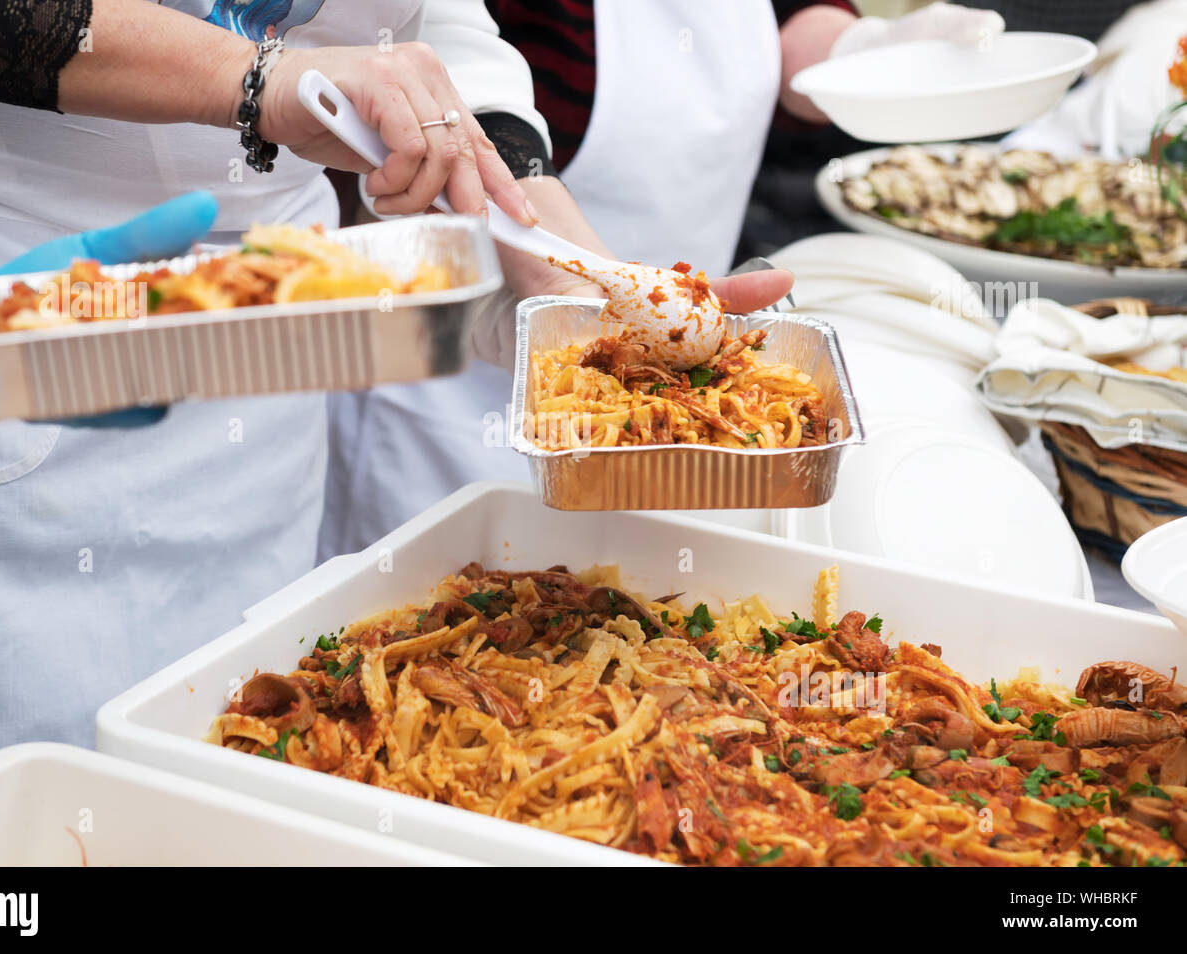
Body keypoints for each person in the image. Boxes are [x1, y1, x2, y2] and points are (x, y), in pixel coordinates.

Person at [0, 0, 791, 810]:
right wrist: (259, 81)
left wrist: (565, 266)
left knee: (242, 782)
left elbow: (417, 28)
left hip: (280, 336)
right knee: (27, 825)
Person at [319, 0, 1005, 557]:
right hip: (463, 380)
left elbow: (780, 25)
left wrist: (861, 51)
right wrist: (577, 297)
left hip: (672, 405)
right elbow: (453, 80)